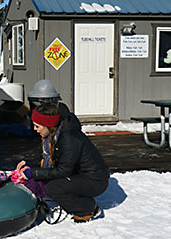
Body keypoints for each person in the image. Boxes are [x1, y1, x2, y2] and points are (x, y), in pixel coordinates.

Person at [19, 80, 110, 223]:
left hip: (95, 179)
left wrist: (33, 173)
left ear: (48, 126)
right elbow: (52, 157)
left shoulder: (68, 138)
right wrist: (29, 164)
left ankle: (87, 208)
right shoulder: (55, 133)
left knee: (54, 188)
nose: (35, 129)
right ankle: (80, 198)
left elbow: (63, 171)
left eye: (38, 126)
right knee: (50, 182)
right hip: (80, 174)